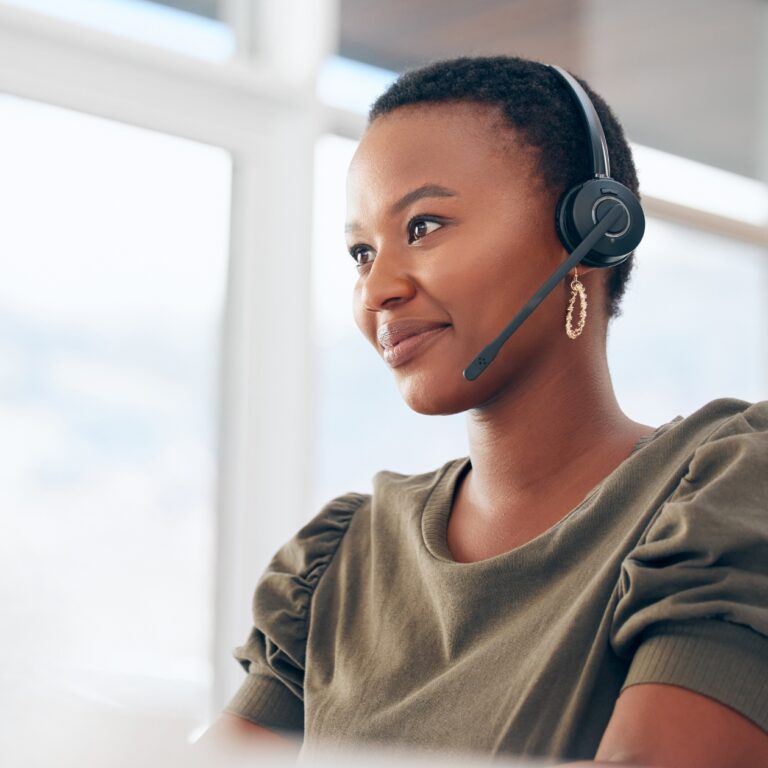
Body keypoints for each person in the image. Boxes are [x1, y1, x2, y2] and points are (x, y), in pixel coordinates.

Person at [199, 56, 768, 766]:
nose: (377, 289)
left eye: (425, 226)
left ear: (590, 227)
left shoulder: (725, 499)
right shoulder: (339, 560)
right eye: (360, 252)